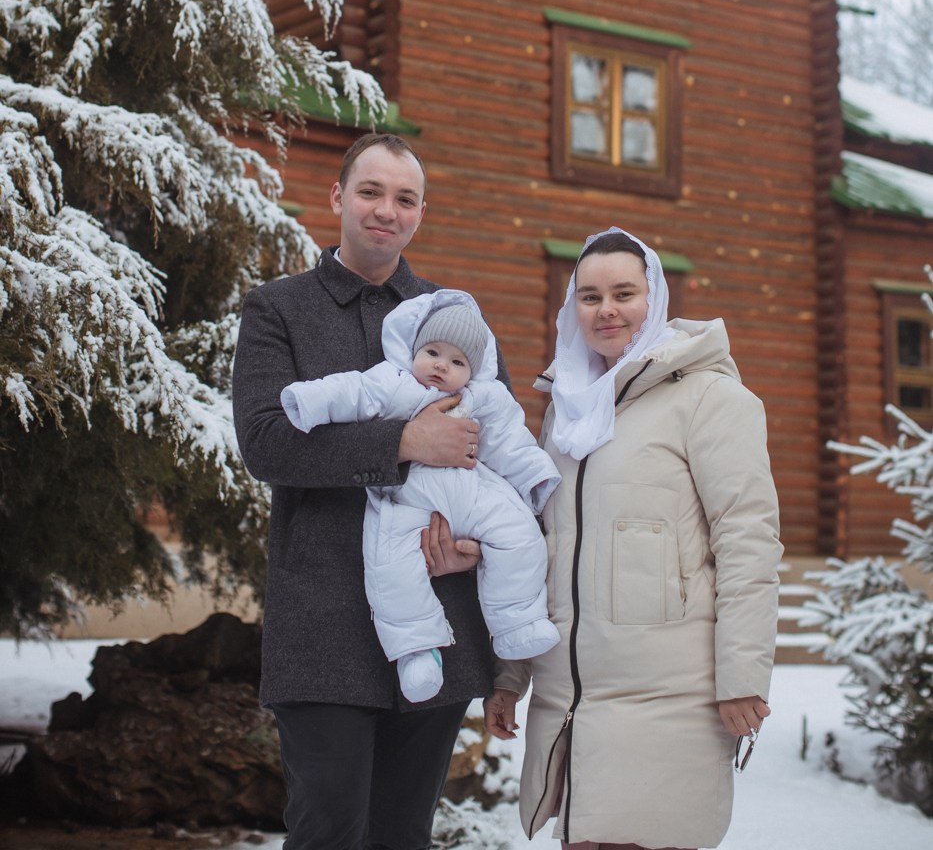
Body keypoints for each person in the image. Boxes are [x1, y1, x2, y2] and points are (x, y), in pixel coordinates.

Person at [232, 132, 499, 850]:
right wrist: (401, 443)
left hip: (434, 618)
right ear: (337, 198)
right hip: (323, 625)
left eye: (404, 199)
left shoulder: (450, 317)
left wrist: (478, 544)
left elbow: (490, 445)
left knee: (403, 836)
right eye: (371, 192)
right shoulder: (278, 310)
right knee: (329, 832)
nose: (387, 211)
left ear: (419, 212)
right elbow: (264, 441)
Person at [484, 227, 782, 850]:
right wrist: (510, 673)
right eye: (589, 296)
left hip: (671, 699)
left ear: (657, 299)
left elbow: (748, 542)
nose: (607, 310)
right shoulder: (566, 408)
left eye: (624, 293)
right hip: (573, 702)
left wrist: (743, 675)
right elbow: (539, 548)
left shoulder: (710, 398)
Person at [280, 289, 561, 703]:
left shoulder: (484, 399)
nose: (440, 366)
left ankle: (517, 621)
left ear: (475, 370)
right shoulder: (392, 385)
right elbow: (351, 391)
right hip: (407, 498)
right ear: (412, 350)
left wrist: (534, 478)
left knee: (520, 535)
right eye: (432, 351)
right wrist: (309, 400)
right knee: (391, 569)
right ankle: (416, 654)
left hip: (474, 492)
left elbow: (510, 443)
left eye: (457, 362)